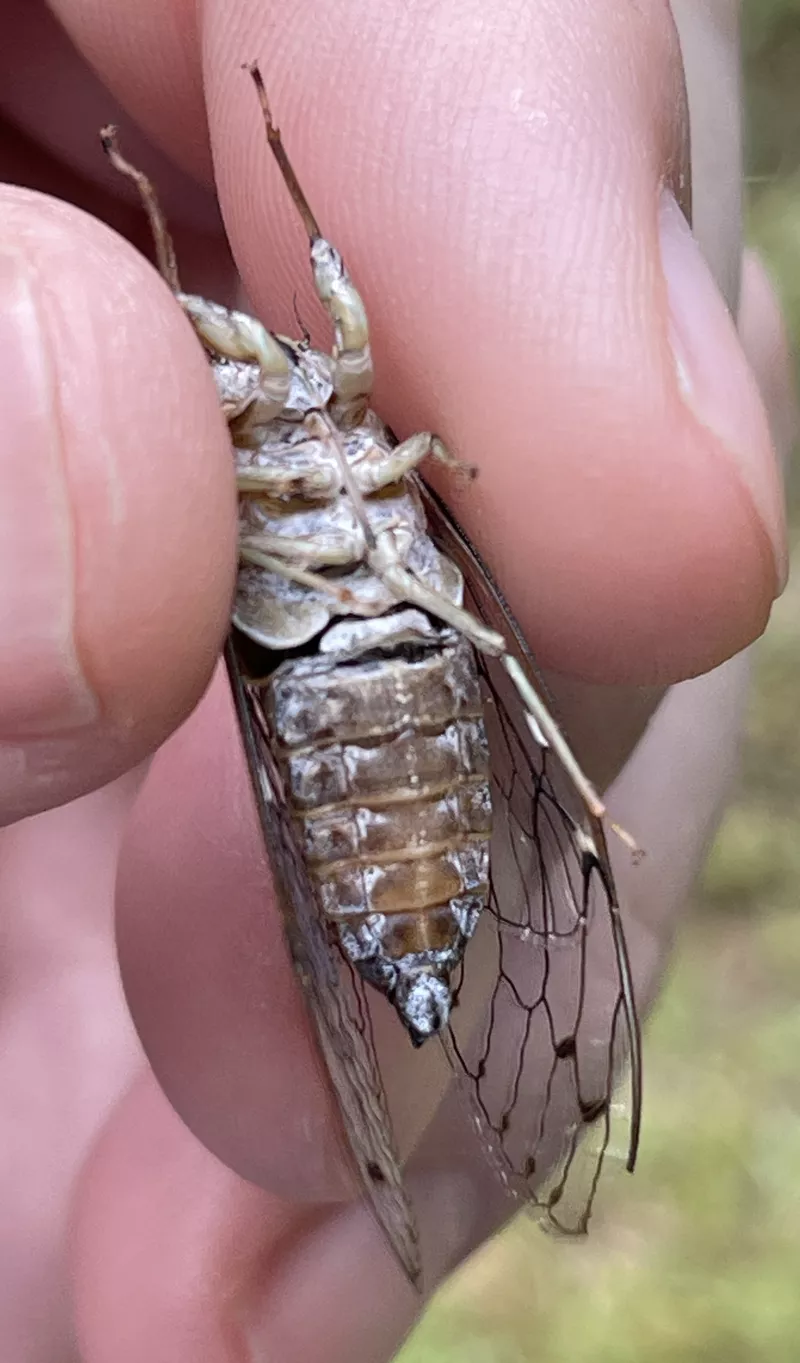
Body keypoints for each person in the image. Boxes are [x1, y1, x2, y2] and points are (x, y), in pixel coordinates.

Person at [0, 2, 793, 1360]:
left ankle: (449, 960)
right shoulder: (303, 440)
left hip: (387, 703)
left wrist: (262, 143)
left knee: (489, 637)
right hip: (361, 700)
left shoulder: (351, 394)